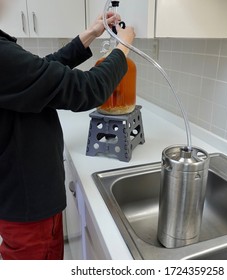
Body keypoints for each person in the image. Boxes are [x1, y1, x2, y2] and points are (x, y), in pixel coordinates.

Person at [0, 0, 135, 260]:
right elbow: (85, 89)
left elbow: (40, 72)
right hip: (28, 204)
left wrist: (90, 34)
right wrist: (123, 48)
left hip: (17, 196)